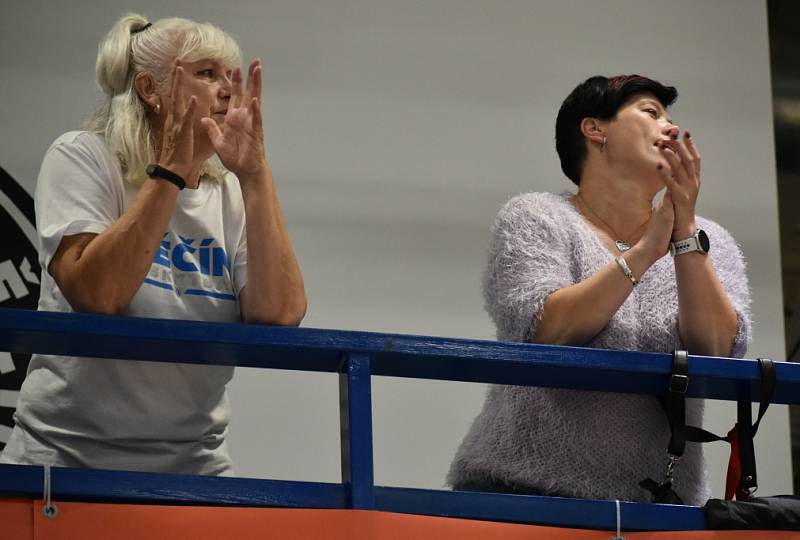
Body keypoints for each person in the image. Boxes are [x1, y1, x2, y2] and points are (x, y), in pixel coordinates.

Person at [0, 14, 307, 475]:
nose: (227, 89)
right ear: (150, 89)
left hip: (194, 468)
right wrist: (170, 171)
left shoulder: (227, 193)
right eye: (207, 73)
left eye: (230, 75)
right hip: (62, 466)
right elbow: (99, 295)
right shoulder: (82, 156)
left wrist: (255, 174)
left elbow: (280, 315)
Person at [447, 75, 750, 505]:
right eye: (650, 112)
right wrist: (646, 250)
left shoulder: (708, 239)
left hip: (658, 510)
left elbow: (718, 351)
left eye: (670, 117)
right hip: (521, 494)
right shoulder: (536, 216)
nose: (670, 127)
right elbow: (547, 329)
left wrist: (683, 233)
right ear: (595, 129)